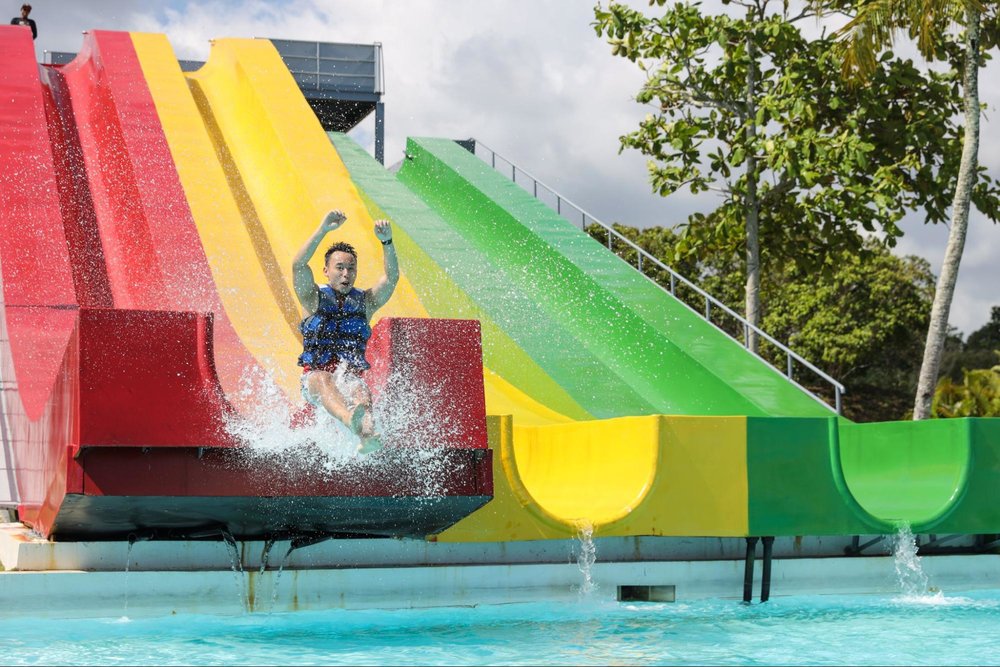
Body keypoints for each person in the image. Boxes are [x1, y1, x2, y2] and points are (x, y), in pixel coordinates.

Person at [292, 210, 398, 453]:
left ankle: (368, 438)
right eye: (339, 268)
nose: (346, 274)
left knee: (360, 388)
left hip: (347, 376)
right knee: (323, 378)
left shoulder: (366, 302)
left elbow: (391, 278)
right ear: (326, 271)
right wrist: (323, 230)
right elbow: (298, 265)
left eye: (351, 269)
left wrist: (387, 242)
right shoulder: (312, 297)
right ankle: (350, 419)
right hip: (314, 380)